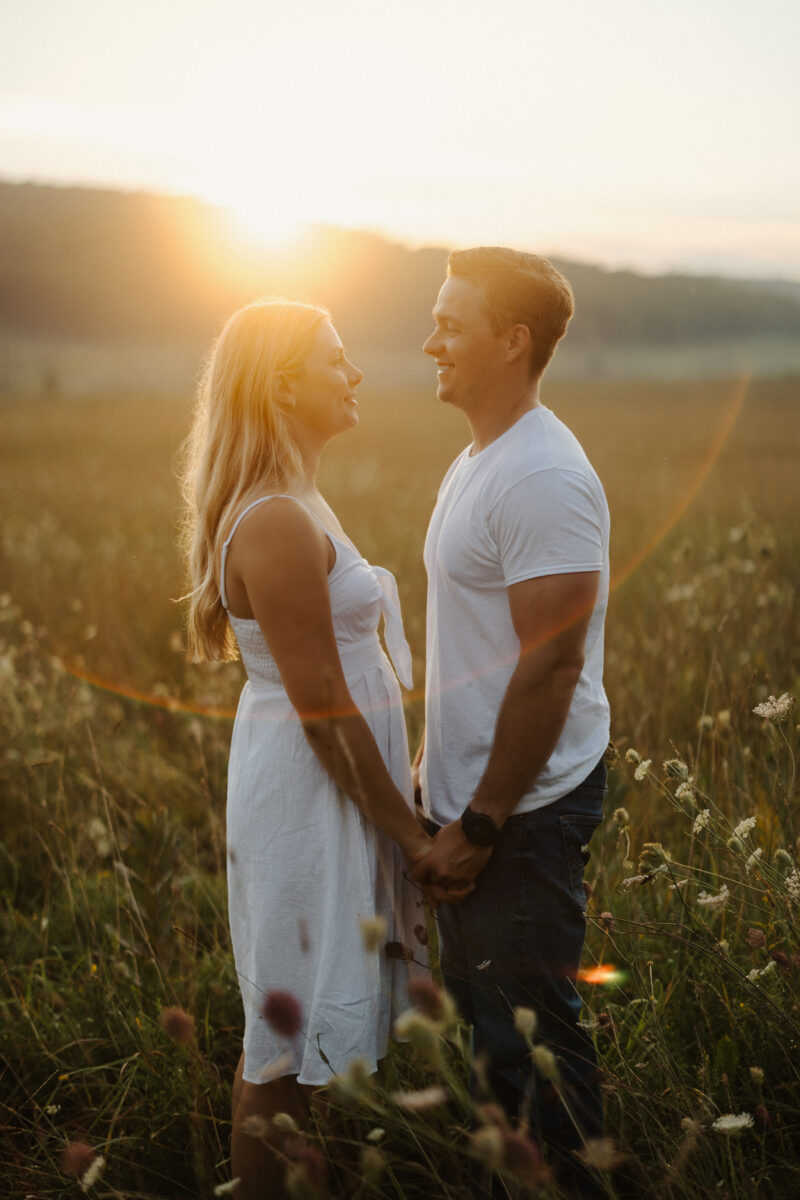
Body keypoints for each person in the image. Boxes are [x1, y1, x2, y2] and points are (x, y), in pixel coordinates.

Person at [179, 298, 461, 1200]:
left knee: (314, 1032)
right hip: (308, 792)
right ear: (282, 385)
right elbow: (323, 707)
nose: (357, 374)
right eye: (337, 360)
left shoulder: (301, 497)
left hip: (334, 785)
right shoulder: (273, 521)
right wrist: (408, 833)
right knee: (282, 1035)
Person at [412, 247, 611, 1196]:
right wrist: (433, 778)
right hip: (475, 806)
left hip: (521, 817)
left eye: (451, 324)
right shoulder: (481, 455)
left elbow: (553, 663)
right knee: (496, 1046)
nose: (430, 341)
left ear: (513, 340)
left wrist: (484, 822)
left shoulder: (541, 476)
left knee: (533, 1049)